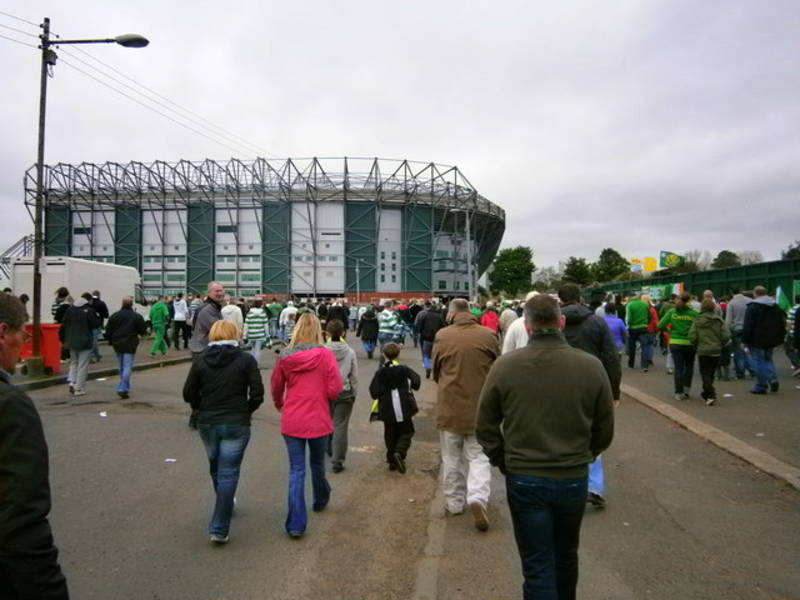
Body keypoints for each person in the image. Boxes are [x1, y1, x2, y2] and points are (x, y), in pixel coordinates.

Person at [476, 294, 614, 600]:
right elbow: (605, 427)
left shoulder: (505, 366)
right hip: (572, 474)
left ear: (526, 325)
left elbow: (485, 425)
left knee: (537, 562)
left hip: (524, 474)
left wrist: (503, 459)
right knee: (566, 554)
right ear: (561, 322)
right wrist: (586, 455)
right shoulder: (591, 366)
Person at [0, 293, 70, 599]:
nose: (23, 344)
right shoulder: (9, 406)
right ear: (3, 333)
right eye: (22, 334)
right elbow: (20, 522)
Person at [182, 320, 263, 544]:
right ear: (235, 334)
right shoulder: (246, 360)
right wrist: (245, 410)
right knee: (228, 471)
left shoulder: (200, 360)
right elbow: (257, 393)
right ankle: (219, 525)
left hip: (208, 421)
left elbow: (188, 392)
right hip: (236, 420)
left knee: (216, 466)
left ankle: (223, 504)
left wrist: (200, 407)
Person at [270, 313, 342, 538]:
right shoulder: (325, 355)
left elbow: (276, 386)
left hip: (293, 417)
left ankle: (296, 523)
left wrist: (280, 404)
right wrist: (323, 396)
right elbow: (335, 388)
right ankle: (321, 498)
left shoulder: (284, 356)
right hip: (318, 416)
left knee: (296, 470)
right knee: (318, 464)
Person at [432, 298, 500, 531]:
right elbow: (497, 369)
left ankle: (454, 502)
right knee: (479, 456)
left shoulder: (443, 336)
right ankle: (478, 497)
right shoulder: (488, 335)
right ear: (471, 312)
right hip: (481, 408)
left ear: (451, 314)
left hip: (450, 407)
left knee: (452, 457)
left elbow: (436, 371)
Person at [369, 342, 421, 473]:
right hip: (404, 407)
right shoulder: (405, 370)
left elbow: (374, 392)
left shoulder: (380, 373)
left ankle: (392, 460)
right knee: (407, 431)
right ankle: (400, 451)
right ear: (398, 354)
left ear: (384, 355)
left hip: (387, 408)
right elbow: (416, 382)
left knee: (390, 434)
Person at [188, 282, 226, 428]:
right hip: (202, 350)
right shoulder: (207, 309)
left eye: (221, 290)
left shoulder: (213, 307)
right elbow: (218, 330)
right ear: (209, 293)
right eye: (216, 291)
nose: (220, 293)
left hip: (204, 349)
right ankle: (197, 416)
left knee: (205, 384)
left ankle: (200, 415)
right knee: (202, 385)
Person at [325, 319, 358, 473]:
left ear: (327, 334)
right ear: (344, 332)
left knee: (327, 423)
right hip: (344, 391)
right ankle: (337, 460)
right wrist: (354, 392)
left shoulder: (323, 351)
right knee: (340, 426)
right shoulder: (350, 352)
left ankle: (328, 447)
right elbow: (354, 375)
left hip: (326, 392)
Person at [742, 286, 786, 394]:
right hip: (771, 338)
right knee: (768, 359)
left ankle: (761, 386)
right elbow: (781, 323)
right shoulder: (775, 306)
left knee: (758, 361)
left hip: (756, 339)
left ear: (755, 294)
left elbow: (748, 325)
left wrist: (745, 340)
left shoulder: (752, 307)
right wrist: (780, 338)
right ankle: (773, 379)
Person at [688, 299, 731, 405]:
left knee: (705, 372)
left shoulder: (697, 320)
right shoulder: (719, 320)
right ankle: (707, 393)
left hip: (702, 349)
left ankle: (710, 394)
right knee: (711, 372)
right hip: (716, 349)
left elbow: (692, 336)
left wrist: (696, 344)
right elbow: (726, 335)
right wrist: (721, 343)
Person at [658, 292, 700, 401]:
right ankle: (686, 389)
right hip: (690, 343)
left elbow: (660, 325)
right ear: (689, 300)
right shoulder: (694, 313)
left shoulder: (672, 312)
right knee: (689, 366)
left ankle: (678, 392)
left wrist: (670, 331)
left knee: (678, 368)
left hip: (675, 342)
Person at [59, 292, 102, 397]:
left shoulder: (70, 310)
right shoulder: (89, 310)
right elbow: (95, 324)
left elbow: (63, 325)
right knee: (82, 365)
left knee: (74, 363)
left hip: (71, 341)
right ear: (88, 300)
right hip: (84, 341)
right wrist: (98, 316)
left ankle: (72, 382)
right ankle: (79, 388)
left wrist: (63, 340)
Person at [105, 296, 147, 399]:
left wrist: (110, 341)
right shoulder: (136, 316)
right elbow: (143, 330)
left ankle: (125, 387)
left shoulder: (115, 316)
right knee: (127, 366)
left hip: (117, 343)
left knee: (121, 366)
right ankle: (123, 388)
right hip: (130, 343)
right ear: (132, 304)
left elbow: (108, 330)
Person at [725, 288, 754, 379]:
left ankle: (740, 373)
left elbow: (728, 321)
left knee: (738, 352)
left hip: (737, 330)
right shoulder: (750, 301)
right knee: (749, 350)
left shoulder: (731, 303)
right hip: (749, 329)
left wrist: (727, 331)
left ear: (731, 292)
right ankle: (753, 370)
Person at [415, 300, 446, 378]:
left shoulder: (425, 315)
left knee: (426, 355)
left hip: (426, 338)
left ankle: (427, 367)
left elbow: (420, 325)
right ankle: (435, 371)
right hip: (436, 339)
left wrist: (420, 334)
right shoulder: (439, 316)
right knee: (435, 355)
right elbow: (443, 327)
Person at [625, 293, 652, 371]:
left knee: (632, 347)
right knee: (645, 346)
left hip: (633, 329)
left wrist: (628, 326)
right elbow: (650, 316)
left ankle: (631, 364)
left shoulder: (630, 305)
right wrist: (646, 323)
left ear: (631, 298)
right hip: (643, 328)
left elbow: (629, 319)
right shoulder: (644, 305)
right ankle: (644, 366)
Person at [243, 298, 270, 364]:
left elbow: (246, 325)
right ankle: (256, 364)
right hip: (260, 334)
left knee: (252, 349)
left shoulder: (249, 313)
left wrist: (244, 335)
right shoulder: (263, 313)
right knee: (258, 351)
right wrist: (267, 335)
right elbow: (266, 325)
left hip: (251, 334)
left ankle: (251, 364)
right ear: (260, 304)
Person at [89, 290, 109, 363]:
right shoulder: (101, 303)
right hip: (97, 324)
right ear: (99, 295)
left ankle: (97, 355)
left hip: (88, 324)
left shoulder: (88, 304)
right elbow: (106, 315)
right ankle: (90, 356)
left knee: (93, 340)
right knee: (94, 340)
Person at [783, 294, 800, 371]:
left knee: (789, 350)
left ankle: (797, 366)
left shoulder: (793, 309)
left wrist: (788, 333)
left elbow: (789, 323)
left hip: (794, 334)